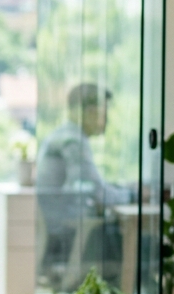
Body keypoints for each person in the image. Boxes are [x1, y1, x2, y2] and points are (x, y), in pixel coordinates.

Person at [36, 83, 131, 283]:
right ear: (90, 111)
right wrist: (133, 195)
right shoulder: (73, 142)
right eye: (104, 112)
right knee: (141, 241)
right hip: (70, 235)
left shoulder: (64, 135)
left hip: (65, 227)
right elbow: (98, 192)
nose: (107, 119)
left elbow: (88, 186)